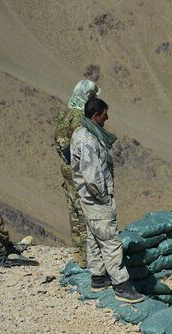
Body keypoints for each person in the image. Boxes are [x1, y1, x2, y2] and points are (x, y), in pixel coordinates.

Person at [70, 97, 143, 304]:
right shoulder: (89, 140)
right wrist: (103, 197)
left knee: (95, 237)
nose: (107, 117)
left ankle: (98, 277)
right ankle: (122, 285)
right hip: (96, 198)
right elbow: (92, 175)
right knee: (111, 240)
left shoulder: (81, 133)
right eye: (104, 114)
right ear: (95, 116)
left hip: (88, 198)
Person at [54, 80, 100, 268]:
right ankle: (86, 255)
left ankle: (77, 252)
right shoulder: (81, 117)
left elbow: (59, 141)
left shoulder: (64, 112)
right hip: (79, 170)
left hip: (66, 168)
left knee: (73, 208)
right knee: (84, 210)